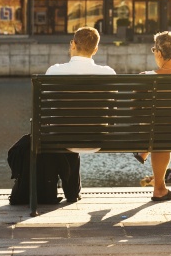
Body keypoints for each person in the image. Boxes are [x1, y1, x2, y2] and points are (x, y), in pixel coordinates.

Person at [30, 26, 116, 202]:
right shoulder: (108, 73)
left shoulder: (54, 71)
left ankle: (51, 189)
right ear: (96, 49)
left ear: (73, 44)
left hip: (62, 138)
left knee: (59, 128)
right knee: (75, 126)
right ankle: (72, 191)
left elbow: (46, 104)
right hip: (98, 138)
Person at [133, 30, 171, 202]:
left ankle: (145, 152)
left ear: (159, 53)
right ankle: (159, 188)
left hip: (156, 134)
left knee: (158, 131)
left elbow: (135, 112)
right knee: (164, 130)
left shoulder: (145, 78)